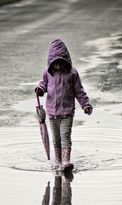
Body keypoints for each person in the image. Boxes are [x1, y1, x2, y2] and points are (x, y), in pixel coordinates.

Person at [35, 39, 93, 171]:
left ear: (66, 61)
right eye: (56, 64)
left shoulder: (72, 73)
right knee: (56, 138)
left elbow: (79, 91)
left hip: (67, 112)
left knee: (65, 135)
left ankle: (66, 161)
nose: (59, 66)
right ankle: (58, 161)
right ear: (51, 63)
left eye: (62, 63)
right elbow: (43, 84)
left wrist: (86, 105)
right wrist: (40, 89)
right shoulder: (48, 73)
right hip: (52, 113)